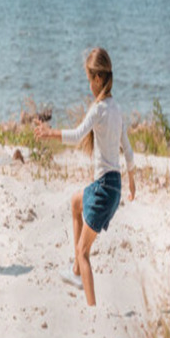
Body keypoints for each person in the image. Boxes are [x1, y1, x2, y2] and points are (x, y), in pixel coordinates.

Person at [35, 47, 135, 306]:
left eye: (89, 79)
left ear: (98, 79)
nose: (89, 84)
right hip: (114, 186)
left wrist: (49, 133)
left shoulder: (99, 109)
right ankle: (76, 272)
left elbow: (77, 135)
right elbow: (128, 146)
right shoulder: (116, 108)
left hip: (104, 189)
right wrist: (132, 180)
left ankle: (93, 310)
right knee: (75, 202)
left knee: (82, 252)